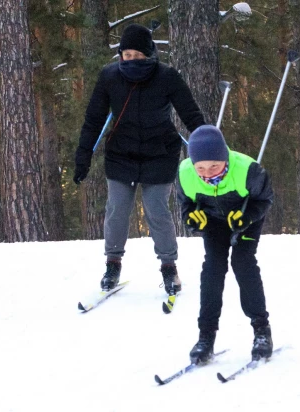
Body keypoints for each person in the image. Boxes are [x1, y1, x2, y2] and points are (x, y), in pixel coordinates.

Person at [73, 24, 205, 295]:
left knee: (156, 208)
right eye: (126, 54)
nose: (131, 60)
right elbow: (93, 119)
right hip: (121, 152)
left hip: (160, 151)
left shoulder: (167, 76)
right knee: (117, 209)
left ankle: (169, 267)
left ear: (149, 55)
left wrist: (208, 144)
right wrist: (83, 155)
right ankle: (112, 264)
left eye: (137, 55)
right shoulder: (109, 77)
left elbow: (191, 113)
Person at [177, 125, 275, 363]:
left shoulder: (248, 170)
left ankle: (261, 330)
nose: (207, 173)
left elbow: (265, 199)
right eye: (200, 167)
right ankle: (206, 336)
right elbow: (186, 204)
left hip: (244, 218)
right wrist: (191, 218)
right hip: (213, 220)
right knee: (213, 268)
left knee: (243, 263)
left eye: (214, 166)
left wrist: (248, 216)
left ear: (225, 158)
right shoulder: (185, 172)